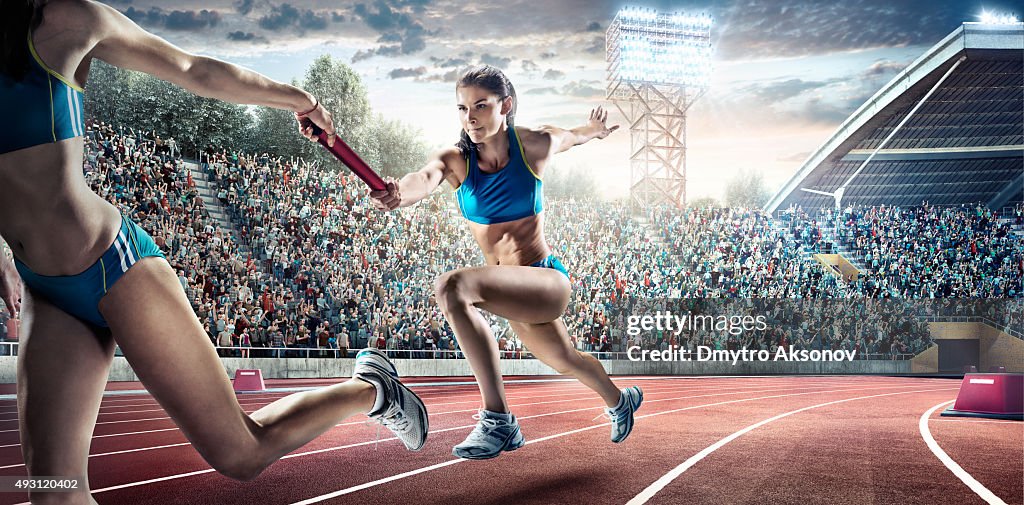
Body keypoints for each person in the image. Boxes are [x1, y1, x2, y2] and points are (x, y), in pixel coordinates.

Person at [0, 1, 427, 502]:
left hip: (112, 265)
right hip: (45, 289)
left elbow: (192, 68)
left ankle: (373, 388)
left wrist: (301, 99)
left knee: (241, 453)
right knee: (53, 492)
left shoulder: (65, 21)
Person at [370, 65, 642, 460]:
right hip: (508, 288)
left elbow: (570, 137)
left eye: (481, 105)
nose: (471, 117)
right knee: (566, 359)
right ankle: (621, 401)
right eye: (463, 108)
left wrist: (593, 131)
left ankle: (498, 421)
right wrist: (399, 193)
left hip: (544, 279)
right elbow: (422, 178)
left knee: (451, 286)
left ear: (506, 105)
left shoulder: (532, 145)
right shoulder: (455, 161)